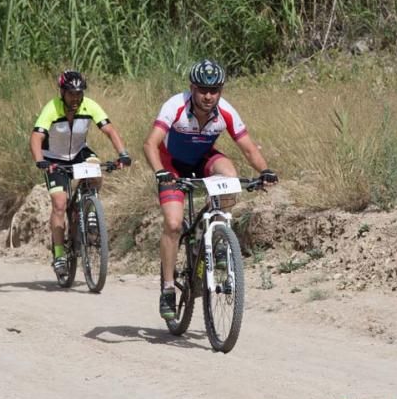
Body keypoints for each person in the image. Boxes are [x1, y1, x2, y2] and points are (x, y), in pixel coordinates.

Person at [142, 58, 278, 319]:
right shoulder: (175, 106)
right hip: (171, 164)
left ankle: (213, 227)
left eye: (214, 90)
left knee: (230, 176)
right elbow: (150, 144)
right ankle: (169, 289)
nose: (208, 96)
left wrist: (265, 171)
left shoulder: (226, 111)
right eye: (202, 90)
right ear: (192, 88)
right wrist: (161, 173)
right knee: (172, 223)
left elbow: (248, 148)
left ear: (221, 90)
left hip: (202, 159)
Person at [30, 70, 131, 279]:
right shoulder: (52, 108)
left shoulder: (90, 106)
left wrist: (123, 154)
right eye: (71, 93)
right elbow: (36, 137)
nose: (76, 98)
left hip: (78, 152)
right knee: (59, 204)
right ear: (62, 93)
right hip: (54, 158)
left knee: (95, 169)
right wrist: (40, 160)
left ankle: (90, 209)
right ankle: (59, 254)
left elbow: (110, 130)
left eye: (79, 93)